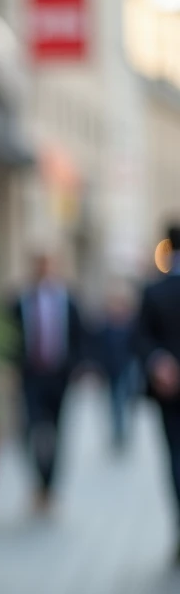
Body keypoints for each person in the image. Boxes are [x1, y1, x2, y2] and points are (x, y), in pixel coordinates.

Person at [10, 252, 86, 514]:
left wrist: (76, 367)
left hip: (59, 377)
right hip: (31, 377)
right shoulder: (19, 301)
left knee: (57, 431)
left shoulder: (68, 301)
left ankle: (50, 487)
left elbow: (79, 336)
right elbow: (8, 336)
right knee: (31, 430)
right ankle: (38, 483)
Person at [137, 225, 180, 562]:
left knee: (176, 461)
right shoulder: (154, 291)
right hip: (170, 395)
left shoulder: (154, 290)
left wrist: (158, 361)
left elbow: (140, 339)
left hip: (169, 393)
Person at [94, 283, 140, 453]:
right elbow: (97, 348)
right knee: (113, 403)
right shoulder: (104, 325)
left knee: (124, 401)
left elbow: (137, 347)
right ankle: (118, 433)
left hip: (127, 369)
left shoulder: (131, 324)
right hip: (109, 370)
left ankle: (123, 433)